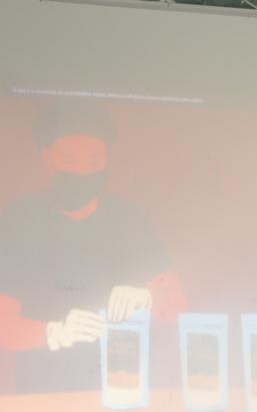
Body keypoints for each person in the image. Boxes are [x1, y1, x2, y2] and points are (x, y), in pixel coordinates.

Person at [0, 100, 186, 394]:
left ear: (107, 161)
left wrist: (146, 298)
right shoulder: (20, 219)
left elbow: (176, 305)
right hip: (45, 395)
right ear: (46, 158)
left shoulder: (128, 219)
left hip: (124, 390)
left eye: (93, 161)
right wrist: (55, 333)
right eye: (69, 161)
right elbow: (3, 324)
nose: (81, 173)